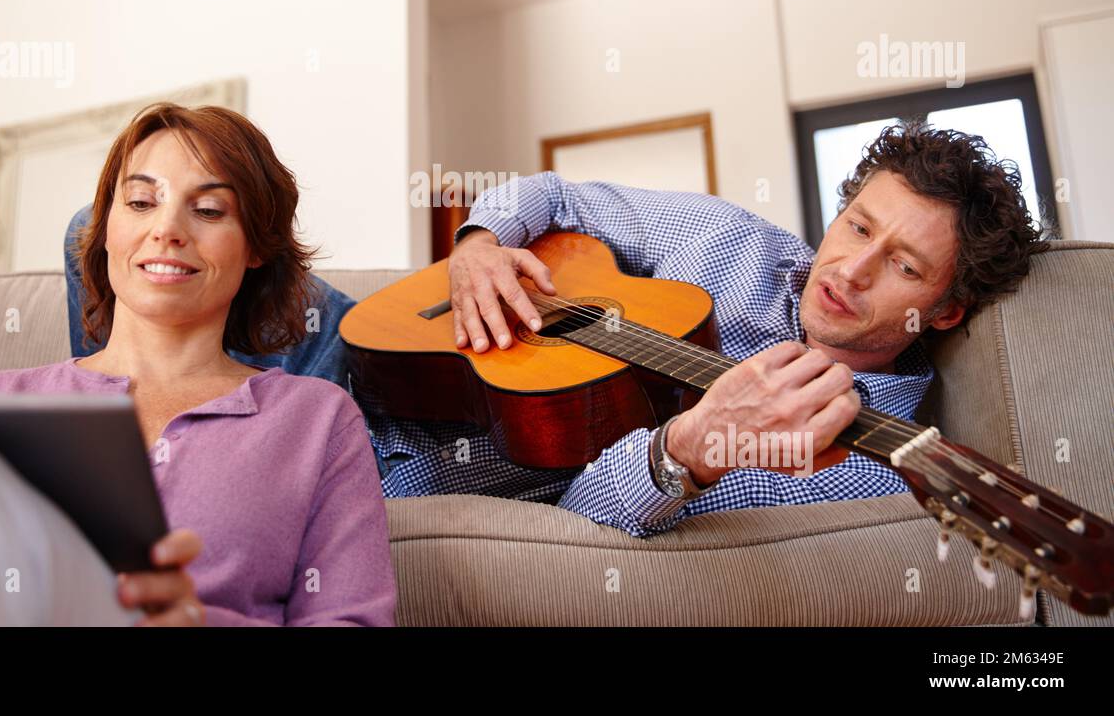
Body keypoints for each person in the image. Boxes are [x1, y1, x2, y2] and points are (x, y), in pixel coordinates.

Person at [62, 120, 1048, 539]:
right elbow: (550, 193)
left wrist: (681, 453)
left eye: (902, 267)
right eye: (856, 225)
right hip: (361, 352)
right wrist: (484, 242)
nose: (849, 270)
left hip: (386, 471)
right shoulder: (731, 241)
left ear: (949, 308)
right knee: (93, 227)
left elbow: (589, 508)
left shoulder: (870, 458)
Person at [0, 104, 396, 626]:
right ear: (106, 229)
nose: (166, 229)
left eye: (210, 210)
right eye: (141, 202)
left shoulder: (317, 419)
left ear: (255, 247)